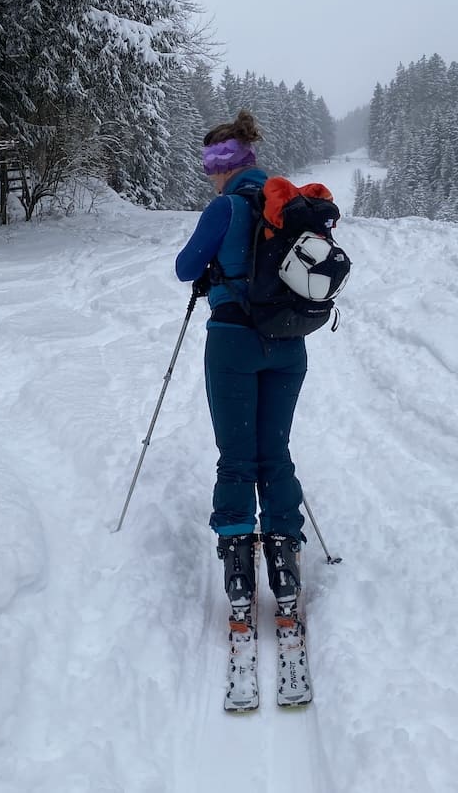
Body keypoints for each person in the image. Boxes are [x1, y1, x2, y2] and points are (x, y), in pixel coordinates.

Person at [174, 109, 306, 616]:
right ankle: (284, 560)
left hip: (232, 343)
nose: (209, 173)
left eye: (212, 163)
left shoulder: (225, 208)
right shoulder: (285, 204)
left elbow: (185, 268)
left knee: (236, 456)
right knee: (275, 451)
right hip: (289, 343)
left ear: (225, 163)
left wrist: (216, 265)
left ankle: (237, 568)